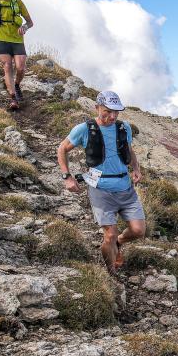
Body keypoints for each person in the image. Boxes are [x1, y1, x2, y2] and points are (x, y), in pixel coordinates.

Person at [57, 91, 146, 273]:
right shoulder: (83, 129)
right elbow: (62, 149)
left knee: (138, 231)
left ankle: (119, 243)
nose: (112, 116)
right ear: (97, 107)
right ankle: (111, 272)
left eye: (116, 112)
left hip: (125, 187)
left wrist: (136, 169)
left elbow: (129, 150)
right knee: (109, 235)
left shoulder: (124, 128)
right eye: (107, 111)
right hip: (100, 189)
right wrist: (67, 177)